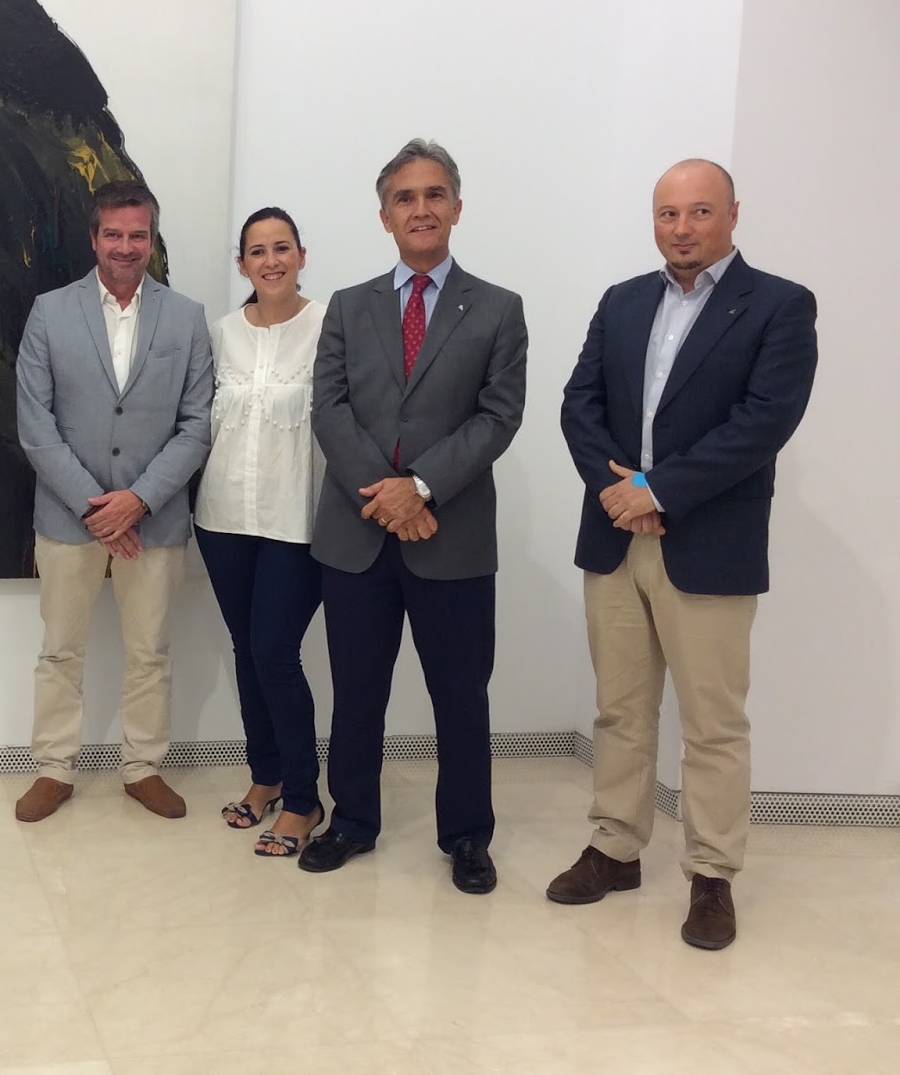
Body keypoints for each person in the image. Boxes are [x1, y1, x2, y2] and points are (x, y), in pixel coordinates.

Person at [547, 159, 817, 949]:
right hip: (615, 538)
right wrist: (618, 492)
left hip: (707, 544)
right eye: (669, 213)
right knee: (621, 708)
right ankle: (615, 847)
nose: (683, 227)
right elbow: (579, 403)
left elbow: (765, 421)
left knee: (713, 723)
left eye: (700, 211)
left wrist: (660, 491)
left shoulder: (779, 305)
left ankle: (711, 875)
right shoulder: (623, 301)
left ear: (732, 214)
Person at [302, 139, 527, 892]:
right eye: (405, 197)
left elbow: (498, 416)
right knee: (356, 691)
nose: (420, 209)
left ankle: (466, 836)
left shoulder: (498, 308)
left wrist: (421, 488)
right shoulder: (347, 305)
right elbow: (329, 408)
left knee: (460, 697)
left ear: (456, 208)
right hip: (357, 535)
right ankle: (352, 821)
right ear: (385, 216)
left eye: (434, 195)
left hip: (451, 537)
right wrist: (388, 495)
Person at [13, 179, 214, 822]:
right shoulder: (49, 312)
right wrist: (97, 507)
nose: (126, 247)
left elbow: (197, 424)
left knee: (150, 652)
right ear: (94, 238)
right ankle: (53, 769)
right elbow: (35, 426)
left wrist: (140, 501)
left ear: (152, 240)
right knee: (60, 651)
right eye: (114, 235)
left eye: (138, 235)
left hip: (154, 521)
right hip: (68, 519)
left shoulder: (186, 318)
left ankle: (143, 767)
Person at [195, 207, 327, 857]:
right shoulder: (221, 334)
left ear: (301, 255)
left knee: (275, 651)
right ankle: (266, 777)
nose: (270, 261)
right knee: (247, 651)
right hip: (221, 518)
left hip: (295, 521)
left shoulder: (329, 327)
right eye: (257, 251)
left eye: (282, 248)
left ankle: (304, 799)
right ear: (242, 263)